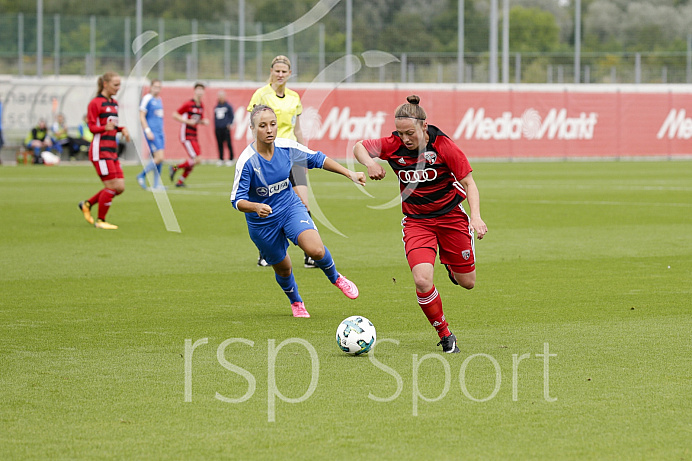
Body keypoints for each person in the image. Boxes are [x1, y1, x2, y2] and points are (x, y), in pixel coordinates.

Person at [353, 95, 488, 353]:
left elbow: (469, 183)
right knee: (423, 280)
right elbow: (359, 146)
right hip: (417, 222)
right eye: (401, 133)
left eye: (410, 132)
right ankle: (445, 334)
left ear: (424, 127)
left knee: (467, 282)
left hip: (450, 217)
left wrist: (476, 216)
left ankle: (450, 263)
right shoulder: (393, 145)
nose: (405, 139)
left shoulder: (444, 146)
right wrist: (370, 162)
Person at [231, 105, 364, 318]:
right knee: (284, 269)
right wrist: (256, 206)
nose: (269, 129)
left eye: (272, 124)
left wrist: (349, 173)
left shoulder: (287, 147)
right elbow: (236, 200)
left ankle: (336, 277)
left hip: (290, 208)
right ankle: (296, 302)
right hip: (262, 223)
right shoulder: (247, 161)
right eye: (262, 126)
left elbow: (318, 159)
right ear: (252, 129)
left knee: (316, 251)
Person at [248, 55, 316, 268]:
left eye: (283, 71)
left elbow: (297, 129)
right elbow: (255, 127)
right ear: (271, 71)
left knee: (303, 204)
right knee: (268, 205)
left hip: (293, 155)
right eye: (276, 70)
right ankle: (266, 252)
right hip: (270, 156)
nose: (280, 74)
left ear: (289, 74)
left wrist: (304, 156)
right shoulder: (261, 94)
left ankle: (310, 254)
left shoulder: (294, 97)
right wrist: (256, 157)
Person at [77, 71, 131, 230]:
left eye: (119, 84)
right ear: (105, 84)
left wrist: (122, 129)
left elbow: (112, 126)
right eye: (115, 85)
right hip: (100, 151)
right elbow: (92, 127)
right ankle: (101, 221)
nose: (118, 88)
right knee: (112, 187)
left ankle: (87, 204)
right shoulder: (95, 103)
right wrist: (103, 128)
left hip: (112, 151)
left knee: (119, 187)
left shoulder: (114, 103)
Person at [170, 82, 209, 187]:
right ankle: (175, 167)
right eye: (198, 90)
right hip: (186, 135)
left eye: (202, 90)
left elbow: (196, 120)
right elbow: (175, 114)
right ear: (195, 91)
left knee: (195, 160)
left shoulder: (201, 105)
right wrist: (187, 121)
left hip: (194, 135)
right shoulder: (188, 104)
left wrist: (202, 122)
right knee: (197, 159)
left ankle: (180, 181)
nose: (200, 92)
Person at [137, 79, 165, 190]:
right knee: (159, 157)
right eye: (155, 86)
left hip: (160, 132)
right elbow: (142, 115)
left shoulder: (159, 100)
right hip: (152, 132)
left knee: (160, 159)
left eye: (159, 87)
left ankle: (156, 184)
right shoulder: (147, 98)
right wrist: (147, 130)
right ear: (151, 87)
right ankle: (142, 175)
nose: (157, 89)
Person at [214, 90, 235, 166]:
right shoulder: (216, 106)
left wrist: (230, 124)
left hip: (225, 128)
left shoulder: (228, 106)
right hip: (218, 128)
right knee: (219, 144)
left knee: (228, 143)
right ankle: (221, 158)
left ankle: (231, 158)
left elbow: (232, 116)